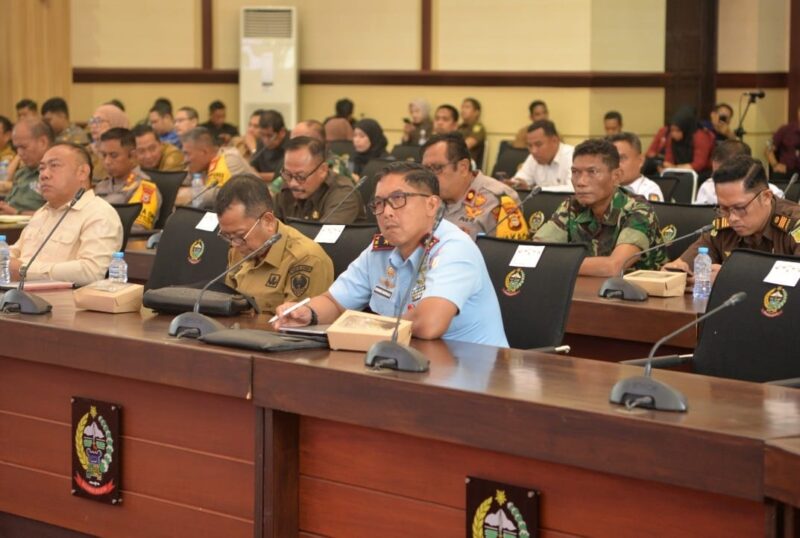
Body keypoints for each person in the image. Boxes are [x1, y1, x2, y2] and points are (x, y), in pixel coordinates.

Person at [273, 161, 508, 347]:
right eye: (379, 203)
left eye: (398, 200)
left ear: (431, 205)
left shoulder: (454, 248)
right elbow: (334, 301)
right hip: (409, 364)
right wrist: (307, 313)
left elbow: (429, 325)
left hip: (474, 376)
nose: (386, 212)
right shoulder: (380, 249)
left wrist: (363, 327)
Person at [534, 139, 666, 277]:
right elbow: (535, 251)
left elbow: (614, 266)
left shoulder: (638, 211)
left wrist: (552, 262)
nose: (581, 182)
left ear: (616, 176)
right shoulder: (572, 206)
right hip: (584, 291)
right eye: (575, 172)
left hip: (636, 294)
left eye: (592, 172)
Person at [663, 155, 800, 281]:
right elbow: (684, 264)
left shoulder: (795, 223)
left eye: (740, 208)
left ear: (766, 197)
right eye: (724, 208)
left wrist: (732, 276)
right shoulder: (724, 226)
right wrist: (674, 272)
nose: (732, 218)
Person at [215, 174, 334, 314]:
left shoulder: (306, 259)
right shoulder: (240, 248)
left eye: (240, 235)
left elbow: (296, 326)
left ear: (268, 221)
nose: (234, 244)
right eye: (227, 236)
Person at [10, 143, 123, 286]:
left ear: (82, 172)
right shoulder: (42, 212)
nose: (44, 175)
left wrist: (25, 270)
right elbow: (15, 252)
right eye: (42, 168)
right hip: (16, 294)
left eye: (54, 166)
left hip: (60, 301)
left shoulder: (99, 213)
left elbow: (91, 271)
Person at [421, 133, 527, 240]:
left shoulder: (498, 200)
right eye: (426, 169)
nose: (430, 176)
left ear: (463, 167)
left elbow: (508, 253)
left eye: (437, 168)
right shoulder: (423, 196)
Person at [274, 136, 364, 224]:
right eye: (288, 174)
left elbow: (323, 237)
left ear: (322, 170)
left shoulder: (344, 195)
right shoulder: (286, 190)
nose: (293, 184)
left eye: (300, 176)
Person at [94, 128, 161, 232]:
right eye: (104, 155)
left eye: (113, 155)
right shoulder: (100, 186)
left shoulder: (146, 189)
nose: (107, 161)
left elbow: (136, 231)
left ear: (132, 156)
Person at [177, 127, 256, 207]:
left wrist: (190, 194)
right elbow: (180, 183)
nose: (185, 160)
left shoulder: (229, 159)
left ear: (204, 152)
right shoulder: (199, 165)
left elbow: (224, 194)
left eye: (187, 154)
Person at [695, 139, 783, 205]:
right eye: (715, 175)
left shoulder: (773, 194)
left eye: (724, 175)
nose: (717, 180)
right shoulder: (707, 188)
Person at [0, 119, 51, 216]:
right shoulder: (21, 173)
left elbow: (57, 216)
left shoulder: (55, 175)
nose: (19, 153)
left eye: (23, 147)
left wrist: (17, 213)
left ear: (42, 142)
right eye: (16, 148)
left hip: (30, 228)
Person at [645, 106, 714, 175]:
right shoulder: (671, 137)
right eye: (672, 130)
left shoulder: (700, 136)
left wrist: (676, 168)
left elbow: (699, 164)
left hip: (701, 172)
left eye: (678, 130)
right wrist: (666, 167)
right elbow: (668, 159)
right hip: (678, 169)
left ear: (685, 129)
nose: (674, 133)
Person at [509, 120, 574, 189]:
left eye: (538, 144)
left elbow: (572, 189)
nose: (533, 151)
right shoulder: (533, 158)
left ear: (554, 140)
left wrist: (536, 190)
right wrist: (515, 183)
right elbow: (521, 178)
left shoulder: (573, 156)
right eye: (530, 145)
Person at [609, 132, 663, 201]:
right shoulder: (607, 187)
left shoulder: (650, 191)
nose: (617, 164)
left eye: (622, 158)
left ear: (640, 161)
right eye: (613, 159)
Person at [88, 104, 130, 181]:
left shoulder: (128, 152)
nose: (93, 126)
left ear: (115, 123)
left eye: (99, 121)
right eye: (92, 121)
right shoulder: (87, 151)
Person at [250, 110, 288, 183]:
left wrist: (256, 176)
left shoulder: (292, 144)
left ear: (282, 132)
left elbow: (284, 175)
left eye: (269, 136)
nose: (265, 140)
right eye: (262, 135)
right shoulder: (261, 141)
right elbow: (252, 166)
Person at [767, 105, 800, 180]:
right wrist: (775, 165)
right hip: (787, 171)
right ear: (798, 113)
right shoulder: (785, 130)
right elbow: (768, 149)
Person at [457, 97, 487, 166]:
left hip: (468, 163)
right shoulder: (459, 127)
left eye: (467, 107)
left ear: (476, 112)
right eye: (462, 107)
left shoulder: (478, 128)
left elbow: (466, 145)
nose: (463, 110)